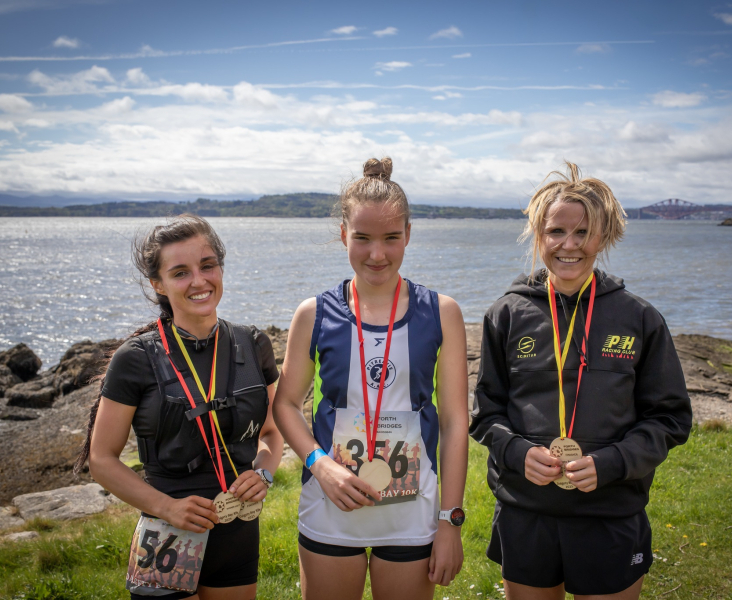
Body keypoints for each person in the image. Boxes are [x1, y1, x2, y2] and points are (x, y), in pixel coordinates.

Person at [469, 163, 693, 600]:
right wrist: (517, 452)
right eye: (556, 231)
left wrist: (612, 462)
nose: (568, 245)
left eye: (583, 232)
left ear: (603, 237)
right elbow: (486, 413)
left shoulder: (639, 317)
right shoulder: (506, 314)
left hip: (610, 512)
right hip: (526, 512)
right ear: (538, 235)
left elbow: (670, 419)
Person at [272, 158, 469, 600]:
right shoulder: (314, 313)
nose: (376, 254)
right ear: (344, 234)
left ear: (408, 235)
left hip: (412, 511)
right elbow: (285, 404)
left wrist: (450, 520)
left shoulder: (442, 313)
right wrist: (319, 464)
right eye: (362, 238)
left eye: (390, 238)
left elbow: (456, 422)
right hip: (331, 504)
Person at [76, 214, 284, 600]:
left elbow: (272, 432)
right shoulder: (135, 358)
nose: (199, 281)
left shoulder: (253, 345)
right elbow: (101, 459)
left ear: (221, 267)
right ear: (158, 284)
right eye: (180, 272)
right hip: (165, 532)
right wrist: (165, 508)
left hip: (237, 530)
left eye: (207, 266)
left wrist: (264, 473)